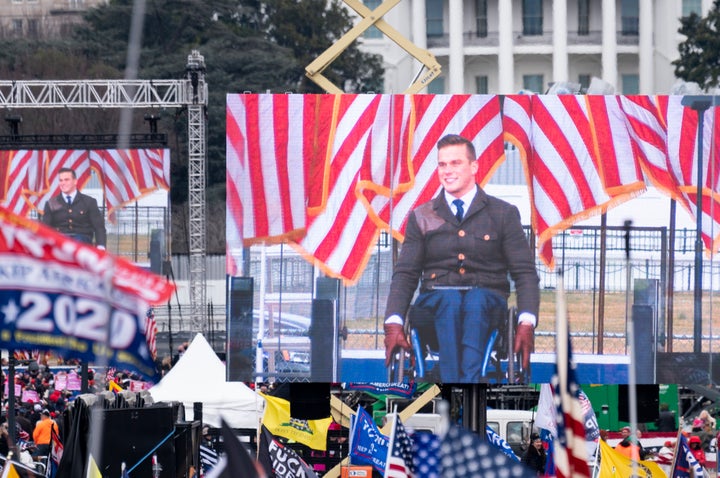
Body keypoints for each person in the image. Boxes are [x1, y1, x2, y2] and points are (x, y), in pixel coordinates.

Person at [383, 134, 540, 383]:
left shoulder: (503, 214)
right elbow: (405, 274)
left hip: (487, 304)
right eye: (442, 165)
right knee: (450, 299)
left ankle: (458, 385)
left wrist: (526, 322)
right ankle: (464, 385)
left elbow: (524, 273)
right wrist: (393, 322)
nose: (447, 171)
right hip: (434, 307)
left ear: (474, 167)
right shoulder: (422, 216)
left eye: (455, 163)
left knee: (475, 300)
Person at [42, 167, 106, 249]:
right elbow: (45, 228)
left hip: (82, 243)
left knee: (78, 242)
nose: (63, 183)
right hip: (59, 243)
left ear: (75, 181)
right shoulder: (51, 203)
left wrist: (101, 246)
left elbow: (99, 227)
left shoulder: (89, 202)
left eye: (66, 180)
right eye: (61, 180)